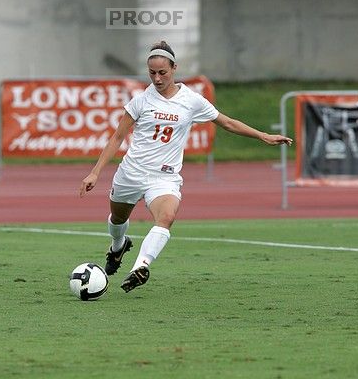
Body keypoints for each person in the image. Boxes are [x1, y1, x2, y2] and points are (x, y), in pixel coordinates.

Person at [80, 40, 292, 293]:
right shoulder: (140, 101)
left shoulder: (191, 101)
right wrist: (95, 172)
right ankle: (118, 246)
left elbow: (227, 123)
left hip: (164, 177)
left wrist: (263, 136)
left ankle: (141, 266)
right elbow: (117, 138)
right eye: (152, 73)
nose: (157, 79)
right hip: (131, 172)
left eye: (162, 73)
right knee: (117, 219)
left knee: (166, 217)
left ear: (174, 68)